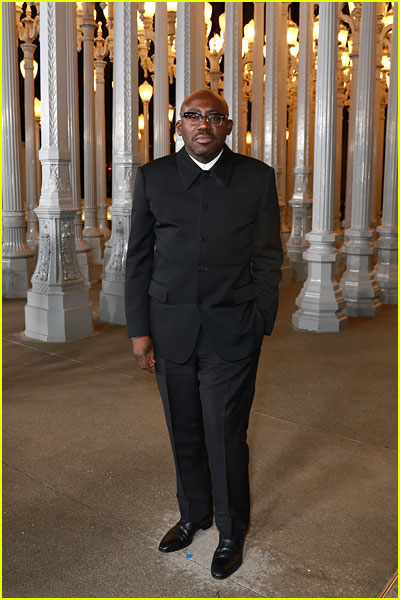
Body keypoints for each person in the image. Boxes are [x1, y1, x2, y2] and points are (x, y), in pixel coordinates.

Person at [125, 89, 283, 580]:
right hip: (170, 330)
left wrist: (259, 322)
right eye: (192, 116)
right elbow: (139, 259)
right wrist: (139, 332)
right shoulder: (153, 178)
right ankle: (194, 513)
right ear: (178, 126)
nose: (203, 124)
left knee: (224, 433)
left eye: (214, 117)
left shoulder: (257, 179)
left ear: (228, 127)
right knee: (185, 430)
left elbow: (269, 258)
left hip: (233, 332)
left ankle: (233, 530)